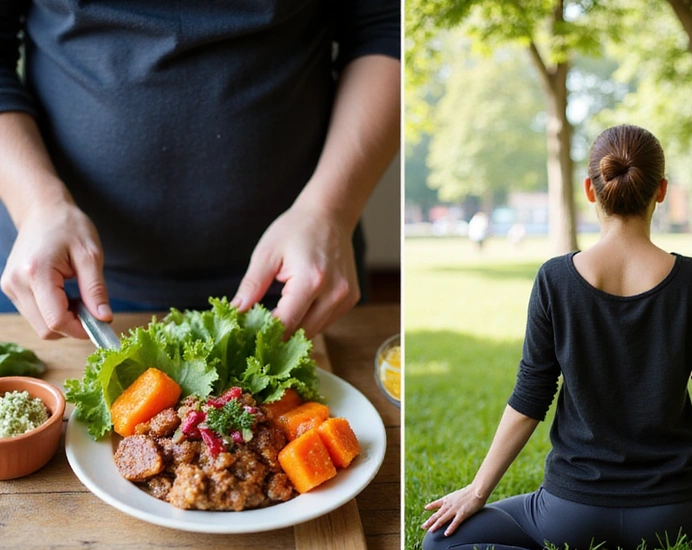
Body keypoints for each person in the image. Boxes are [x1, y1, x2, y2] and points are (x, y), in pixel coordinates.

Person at [422, 124, 692, 550]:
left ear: (591, 190)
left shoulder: (554, 280)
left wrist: (477, 492)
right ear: (661, 191)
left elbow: (530, 397)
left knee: (441, 543)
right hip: (675, 513)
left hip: (567, 513)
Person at [0, 1, 400, 341]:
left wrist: (330, 210)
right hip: (61, 274)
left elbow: (387, 26)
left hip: (302, 269)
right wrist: (36, 205)